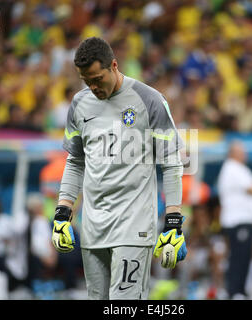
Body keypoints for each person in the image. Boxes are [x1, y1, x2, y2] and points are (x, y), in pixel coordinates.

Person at [50, 37, 187, 300]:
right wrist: (62, 211)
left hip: (133, 225)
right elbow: (75, 161)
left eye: (97, 78)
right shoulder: (79, 105)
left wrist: (173, 221)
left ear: (114, 65)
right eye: (86, 80)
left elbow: (171, 162)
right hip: (93, 226)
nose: (93, 87)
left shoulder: (150, 100)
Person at [217, 140, 252, 299]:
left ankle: (238, 290)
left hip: (241, 220)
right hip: (238, 220)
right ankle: (235, 291)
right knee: (239, 257)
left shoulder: (237, 169)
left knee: (242, 256)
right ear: (233, 153)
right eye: (242, 152)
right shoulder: (233, 168)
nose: (245, 155)